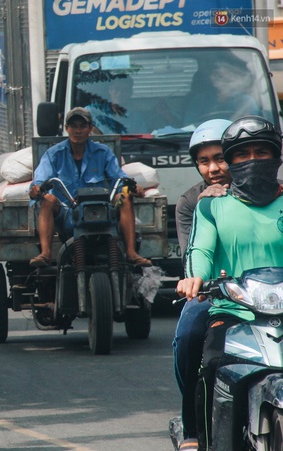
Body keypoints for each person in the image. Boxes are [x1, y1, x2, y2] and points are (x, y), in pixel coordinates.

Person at [176, 115, 283, 451]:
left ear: (276, 156)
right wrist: (195, 277)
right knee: (209, 365)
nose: (252, 160)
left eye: (261, 152)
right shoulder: (211, 205)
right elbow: (200, 250)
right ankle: (203, 439)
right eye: (242, 154)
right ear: (233, 160)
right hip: (234, 310)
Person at [171, 119, 233, 450]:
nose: (213, 168)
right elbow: (194, 256)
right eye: (204, 161)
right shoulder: (191, 202)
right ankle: (191, 423)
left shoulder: (269, 190)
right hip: (215, 291)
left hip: (267, 292)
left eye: (220, 158)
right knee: (189, 334)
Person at [29, 107, 151, 267]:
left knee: (125, 198)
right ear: (66, 129)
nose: (77, 131)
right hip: (66, 212)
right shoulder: (54, 154)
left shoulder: (103, 152)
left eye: (82, 126)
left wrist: (133, 187)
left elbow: (118, 177)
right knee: (48, 200)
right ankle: (45, 253)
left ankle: (131, 252)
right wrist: (36, 188)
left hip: (99, 210)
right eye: (73, 126)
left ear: (90, 129)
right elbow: (40, 179)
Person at [183, 58, 259, 127]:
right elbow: (189, 126)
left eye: (222, 75)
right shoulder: (199, 100)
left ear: (233, 75)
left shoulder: (247, 102)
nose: (215, 77)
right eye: (215, 74)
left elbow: (253, 128)